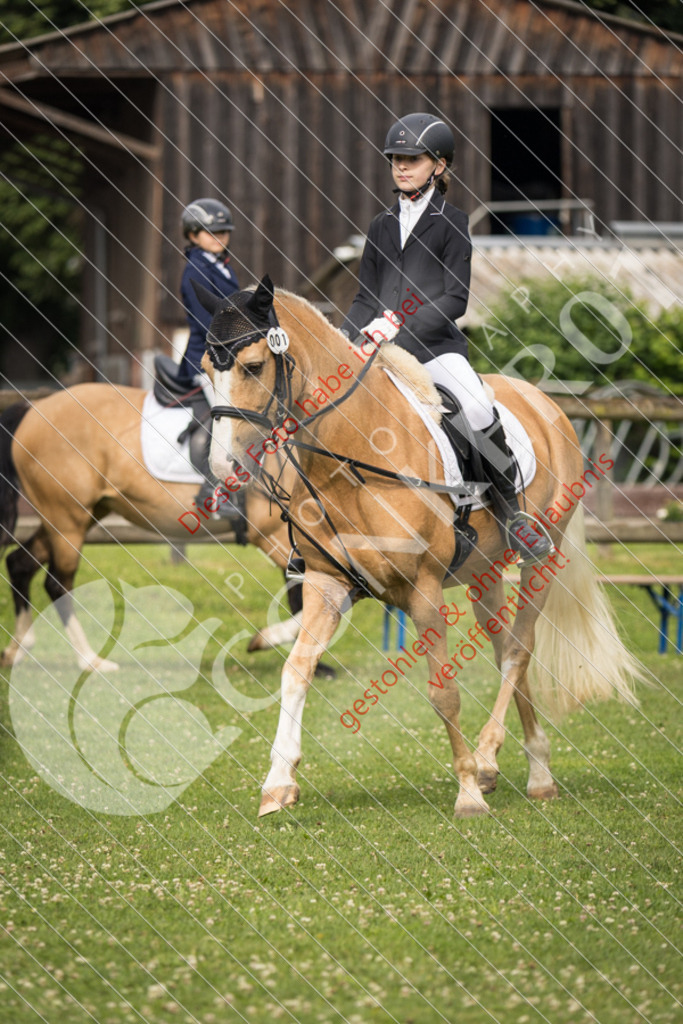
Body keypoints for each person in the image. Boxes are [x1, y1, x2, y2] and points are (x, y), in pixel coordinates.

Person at [340, 112, 551, 565]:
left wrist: (399, 326)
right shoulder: (380, 225)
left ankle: (512, 516)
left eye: (412, 159)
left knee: (475, 407)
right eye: (396, 159)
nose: (401, 166)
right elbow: (364, 298)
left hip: (434, 350)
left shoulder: (452, 222)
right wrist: (345, 339)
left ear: (438, 165)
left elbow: (455, 298)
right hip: (380, 352)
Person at [178, 198, 240, 516]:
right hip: (205, 359)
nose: (219, 237)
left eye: (223, 231)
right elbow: (209, 323)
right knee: (226, 415)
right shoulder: (196, 271)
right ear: (193, 235)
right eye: (211, 232)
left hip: (226, 356)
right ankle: (212, 492)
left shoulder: (220, 266)